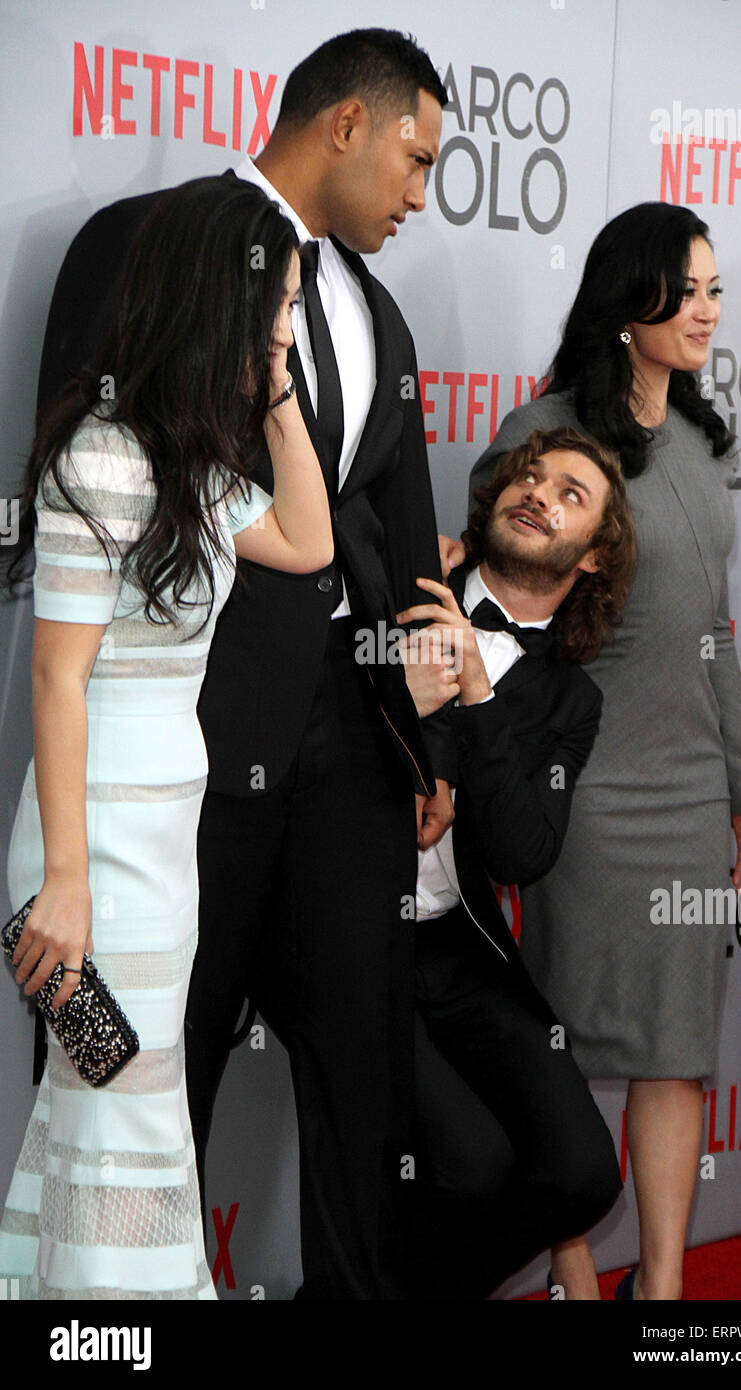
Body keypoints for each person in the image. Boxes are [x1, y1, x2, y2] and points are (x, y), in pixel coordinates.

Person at [34, 29, 452, 1300]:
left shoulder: (376, 313)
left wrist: (424, 748)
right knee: (150, 1090)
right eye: (413, 159)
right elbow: (82, 525)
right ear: (346, 124)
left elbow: (382, 534)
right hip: (187, 767)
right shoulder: (145, 241)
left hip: (350, 766)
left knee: (358, 1094)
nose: (418, 197)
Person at [0, 176, 333, 1299]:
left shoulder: (195, 464)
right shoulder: (100, 454)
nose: (284, 329)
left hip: (162, 848)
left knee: (105, 1119)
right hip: (87, 853)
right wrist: (65, 883)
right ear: (216, 300)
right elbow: (56, 676)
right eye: (275, 308)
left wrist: (277, 388)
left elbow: (307, 535)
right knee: (118, 1119)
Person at [440, 202, 741, 1301]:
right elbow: (481, 609)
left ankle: (663, 1296)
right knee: (563, 1040)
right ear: (625, 303)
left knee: (674, 1049)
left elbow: (712, 633)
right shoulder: (540, 431)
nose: (706, 313)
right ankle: (575, 1275)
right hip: (572, 785)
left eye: (714, 291)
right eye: (684, 291)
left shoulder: (696, 440)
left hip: (685, 791)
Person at [395, 425, 635, 1300]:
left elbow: (521, 851)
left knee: (582, 1171)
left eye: (571, 493)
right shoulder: (409, 579)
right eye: (529, 477)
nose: (538, 492)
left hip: (460, 950)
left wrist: (476, 691)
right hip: (352, 927)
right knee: (468, 1164)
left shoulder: (572, 698)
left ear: (597, 558)